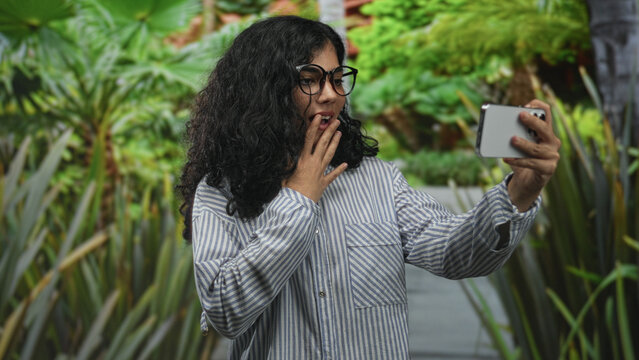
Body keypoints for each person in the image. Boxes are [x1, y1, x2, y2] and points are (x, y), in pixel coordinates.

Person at [178, 15, 561, 359]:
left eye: (336, 78)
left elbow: (455, 253)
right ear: (264, 93)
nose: (331, 94)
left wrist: (521, 192)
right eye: (310, 80)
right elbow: (226, 312)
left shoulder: (379, 181)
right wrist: (298, 200)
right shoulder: (219, 193)